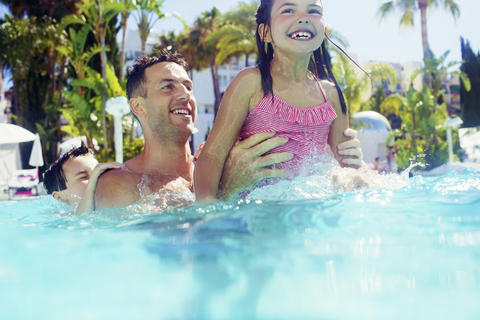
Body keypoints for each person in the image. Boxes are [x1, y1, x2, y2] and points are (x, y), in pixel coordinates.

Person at [94, 49, 364, 210]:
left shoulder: (224, 164)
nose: (184, 95)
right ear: (138, 106)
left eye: (188, 86)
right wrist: (226, 191)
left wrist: (337, 161)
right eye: (167, 87)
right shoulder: (121, 184)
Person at [194, 0, 367, 204]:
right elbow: (212, 156)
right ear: (265, 32)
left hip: (311, 211)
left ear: (324, 29)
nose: (303, 17)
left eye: (313, 11)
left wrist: (356, 170)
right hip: (256, 214)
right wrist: (206, 207)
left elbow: (345, 166)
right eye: (288, 10)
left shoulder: (331, 95)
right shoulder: (251, 83)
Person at [43, 143, 123, 215]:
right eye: (84, 176)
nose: (97, 178)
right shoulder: (60, 220)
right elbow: (82, 223)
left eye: (100, 173)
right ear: (60, 197)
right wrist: (90, 189)